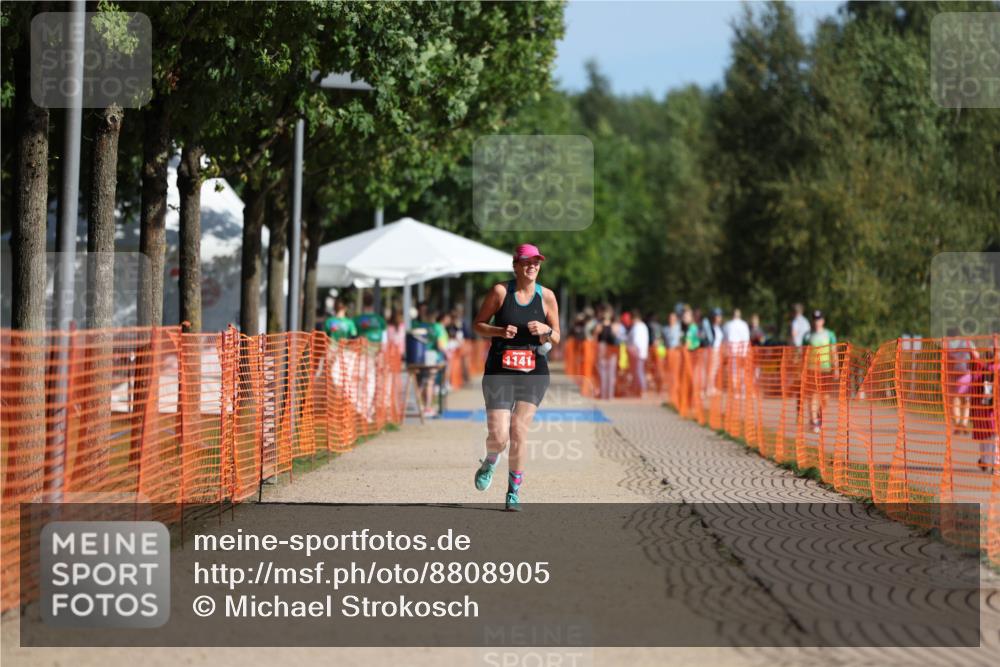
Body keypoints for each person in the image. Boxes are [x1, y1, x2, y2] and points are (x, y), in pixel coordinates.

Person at [472, 243, 560, 511]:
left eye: (536, 262)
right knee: (499, 437)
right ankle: (490, 461)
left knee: (518, 430)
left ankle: (513, 492)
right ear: (516, 265)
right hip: (500, 370)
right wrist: (499, 332)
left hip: (534, 370)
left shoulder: (547, 296)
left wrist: (546, 329)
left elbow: (556, 336)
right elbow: (477, 325)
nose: (532, 266)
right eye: (527, 262)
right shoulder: (501, 292)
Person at [804, 310, 837, 433]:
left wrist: (836, 368)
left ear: (823, 321)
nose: (816, 322)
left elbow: (833, 352)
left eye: (818, 319)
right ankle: (814, 421)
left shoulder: (830, 335)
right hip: (811, 369)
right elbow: (804, 353)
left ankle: (819, 417)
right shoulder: (807, 336)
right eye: (814, 319)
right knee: (812, 395)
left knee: (825, 397)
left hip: (825, 368)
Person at [945, 332, 980, 435]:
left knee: (955, 401)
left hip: (952, 376)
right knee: (967, 401)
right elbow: (977, 356)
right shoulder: (967, 343)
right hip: (967, 375)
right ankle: (964, 423)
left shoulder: (947, 344)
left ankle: (957, 424)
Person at [594, 305, 620, 400]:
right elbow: (596, 338)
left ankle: (609, 395)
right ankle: (604, 394)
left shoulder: (614, 325)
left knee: (609, 373)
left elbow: (616, 335)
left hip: (610, 350)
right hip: (603, 349)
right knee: (604, 373)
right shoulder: (600, 325)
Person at [627, 308, 650, 395]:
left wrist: (634, 349)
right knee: (639, 371)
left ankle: (643, 389)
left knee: (639, 371)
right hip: (641, 352)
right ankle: (638, 389)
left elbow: (637, 340)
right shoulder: (642, 326)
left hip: (638, 352)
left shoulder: (638, 327)